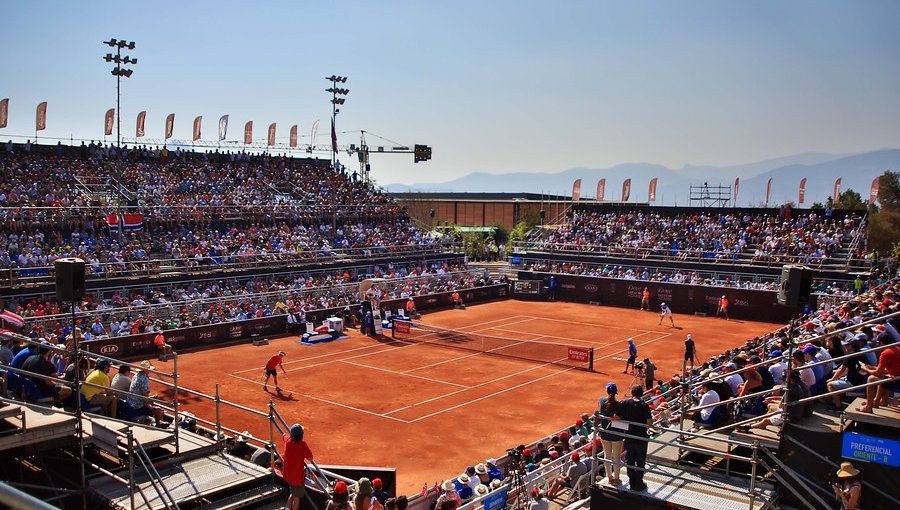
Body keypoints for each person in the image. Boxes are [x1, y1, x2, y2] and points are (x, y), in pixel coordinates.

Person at [614, 385, 653, 492]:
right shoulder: (644, 405)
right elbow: (650, 423)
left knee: (630, 461)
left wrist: (627, 425)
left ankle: (632, 483)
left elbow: (616, 418)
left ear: (632, 393)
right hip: (641, 439)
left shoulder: (625, 403)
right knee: (640, 462)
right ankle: (639, 484)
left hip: (629, 438)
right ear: (641, 394)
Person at [281, 423, 314, 510]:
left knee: (292, 493)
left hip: (288, 475)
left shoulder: (287, 441)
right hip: (297, 477)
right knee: (296, 497)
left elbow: (284, 436)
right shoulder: (303, 445)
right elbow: (310, 458)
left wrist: (285, 435)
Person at [597, 382, 623, 485]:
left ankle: (609, 477)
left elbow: (601, 401)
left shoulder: (602, 402)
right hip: (616, 435)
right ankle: (616, 478)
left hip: (605, 434)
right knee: (616, 457)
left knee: (607, 456)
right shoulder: (619, 405)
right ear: (616, 392)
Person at [126, 360, 166, 427]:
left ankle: (147, 418)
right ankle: (158, 425)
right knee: (158, 410)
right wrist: (149, 406)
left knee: (151, 401)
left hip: (130, 402)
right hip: (137, 406)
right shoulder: (144, 379)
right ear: (146, 370)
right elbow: (145, 398)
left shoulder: (136, 376)